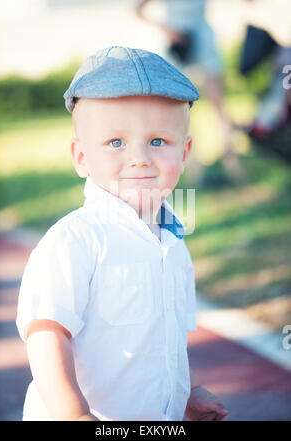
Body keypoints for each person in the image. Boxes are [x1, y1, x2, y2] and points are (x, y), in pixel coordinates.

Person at [16, 46, 229, 421]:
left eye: (158, 142)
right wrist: (75, 415)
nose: (139, 158)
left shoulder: (173, 243)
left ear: (185, 153)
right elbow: (47, 333)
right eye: (116, 142)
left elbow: (167, 337)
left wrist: (189, 392)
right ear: (81, 157)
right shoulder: (75, 241)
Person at [136, 0, 245, 184]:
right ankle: (195, 170)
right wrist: (169, 31)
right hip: (177, 43)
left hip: (204, 39)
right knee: (183, 110)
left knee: (219, 106)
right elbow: (138, 10)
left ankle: (232, 165)